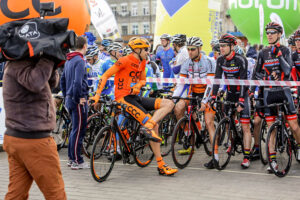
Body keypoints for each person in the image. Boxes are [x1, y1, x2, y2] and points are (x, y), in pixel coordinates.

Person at [92, 37, 178, 176]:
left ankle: (148, 126)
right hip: (123, 98)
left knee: (169, 103)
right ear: (137, 49)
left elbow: (143, 79)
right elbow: (106, 75)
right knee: (154, 126)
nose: (148, 52)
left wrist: (138, 85)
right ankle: (161, 164)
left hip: (134, 96)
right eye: (146, 49)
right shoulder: (125, 60)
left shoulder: (142, 62)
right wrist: (97, 95)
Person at [3, 54, 66, 198]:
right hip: (34, 140)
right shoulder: (21, 64)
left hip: (17, 137)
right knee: (55, 194)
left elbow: (50, 83)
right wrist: (49, 57)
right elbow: (36, 83)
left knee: (16, 194)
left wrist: (49, 62)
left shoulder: (17, 63)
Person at [253, 22, 300, 172]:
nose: (270, 35)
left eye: (273, 32)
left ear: (279, 34)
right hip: (269, 94)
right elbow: (255, 74)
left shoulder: (286, 50)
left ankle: (298, 147)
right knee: (271, 129)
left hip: (284, 92)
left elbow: (287, 72)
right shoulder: (263, 52)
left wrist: (278, 55)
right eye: (268, 32)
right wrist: (266, 77)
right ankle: (272, 161)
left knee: (293, 126)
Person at [172, 37, 216, 160]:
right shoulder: (186, 63)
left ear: (199, 49)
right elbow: (181, 84)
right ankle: (189, 133)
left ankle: (215, 156)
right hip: (193, 92)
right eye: (188, 49)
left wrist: (204, 101)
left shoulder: (209, 61)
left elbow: (210, 84)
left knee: (209, 122)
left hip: (207, 93)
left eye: (193, 49)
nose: (190, 52)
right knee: (178, 108)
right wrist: (173, 99)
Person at [211, 33, 252, 169]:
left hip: (242, 94)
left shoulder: (241, 60)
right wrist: (212, 97)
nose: (221, 49)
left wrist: (241, 101)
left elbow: (244, 82)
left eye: (224, 46)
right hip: (229, 94)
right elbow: (217, 80)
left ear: (232, 46)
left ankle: (246, 156)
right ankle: (233, 142)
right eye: (220, 46)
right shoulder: (220, 60)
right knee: (228, 121)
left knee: (245, 126)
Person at [60, 36, 90, 170]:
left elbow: (62, 79)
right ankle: (77, 160)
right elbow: (78, 82)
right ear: (84, 46)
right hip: (77, 100)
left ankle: (72, 158)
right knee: (79, 130)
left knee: (74, 130)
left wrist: (67, 95)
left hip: (69, 98)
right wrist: (78, 98)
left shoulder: (69, 60)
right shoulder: (80, 61)